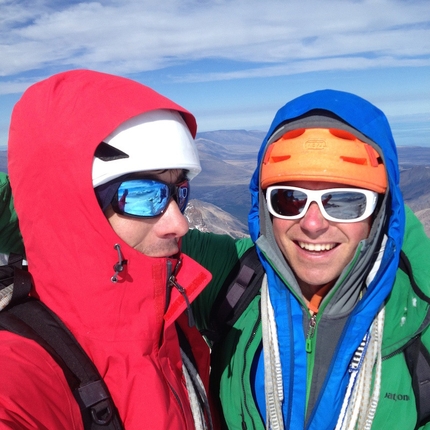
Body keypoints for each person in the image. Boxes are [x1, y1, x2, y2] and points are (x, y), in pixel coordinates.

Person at [183, 89, 430, 429]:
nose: (313, 224)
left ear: (381, 211)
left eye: (344, 201)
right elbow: (120, 233)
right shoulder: (235, 279)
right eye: (289, 199)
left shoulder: (421, 314)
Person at [1, 69, 216, 429]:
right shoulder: (19, 376)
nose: (179, 224)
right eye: (145, 195)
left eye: (179, 190)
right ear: (74, 209)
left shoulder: (171, 327)